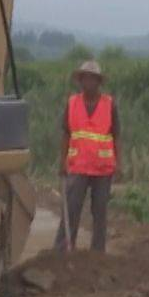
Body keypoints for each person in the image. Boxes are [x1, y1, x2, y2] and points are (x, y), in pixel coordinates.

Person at [54, 59, 121, 252]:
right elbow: (66, 134)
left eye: (92, 79)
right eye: (85, 79)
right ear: (80, 81)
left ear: (99, 82)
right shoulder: (72, 103)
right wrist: (62, 162)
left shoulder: (110, 105)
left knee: (100, 212)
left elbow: (117, 136)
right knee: (72, 208)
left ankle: (98, 252)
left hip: (102, 168)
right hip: (78, 166)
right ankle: (62, 250)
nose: (88, 83)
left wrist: (120, 163)